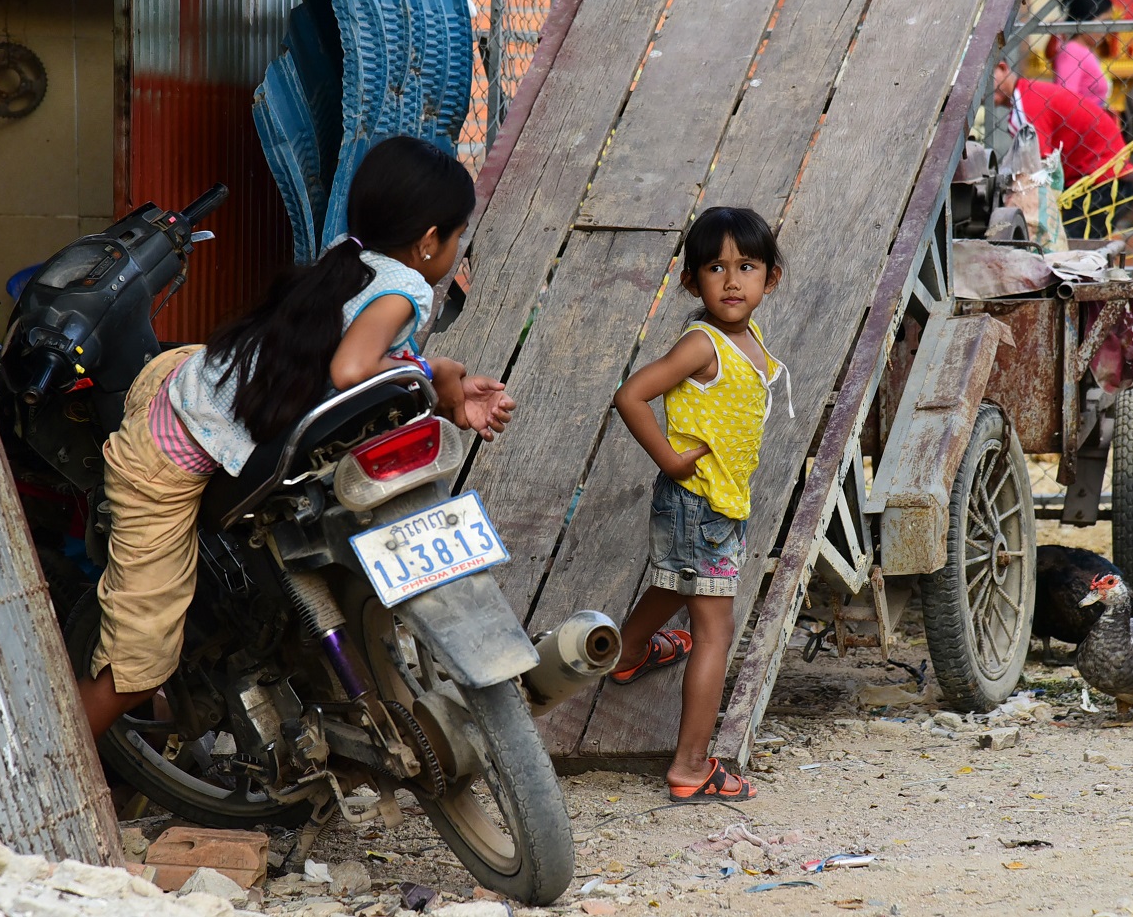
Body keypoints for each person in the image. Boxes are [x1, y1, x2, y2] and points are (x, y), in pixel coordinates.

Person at [78, 136, 515, 739]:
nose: (458, 249)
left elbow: (352, 353)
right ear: (429, 241)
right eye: (459, 235)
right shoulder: (406, 289)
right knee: (136, 666)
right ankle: (33, 772)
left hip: (195, 384)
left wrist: (434, 374)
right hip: (166, 459)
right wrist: (424, 372)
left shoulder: (351, 257)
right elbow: (350, 371)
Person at [608, 206, 789, 803]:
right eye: (716, 267)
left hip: (714, 508)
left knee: (677, 582)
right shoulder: (701, 344)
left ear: (771, 278)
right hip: (697, 503)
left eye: (747, 267)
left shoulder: (748, 337)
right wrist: (667, 457)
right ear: (692, 281)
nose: (732, 281)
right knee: (714, 632)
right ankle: (691, 767)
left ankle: (628, 652)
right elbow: (631, 395)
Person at [993, 60, 1133, 240]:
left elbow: (1037, 167)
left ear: (1003, 67)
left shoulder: (1025, 103)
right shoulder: (1030, 93)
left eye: (986, 80)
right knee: (1068, 245)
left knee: (1062, 247)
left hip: (1101, 181)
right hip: (1104, 176)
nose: (981, 91)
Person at [1051, 0, 1113, 110]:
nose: (1106, 30)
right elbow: (1065, 100)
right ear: (1083, 21)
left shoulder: (1086, 51)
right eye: (1102, 22)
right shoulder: (1072, 51)